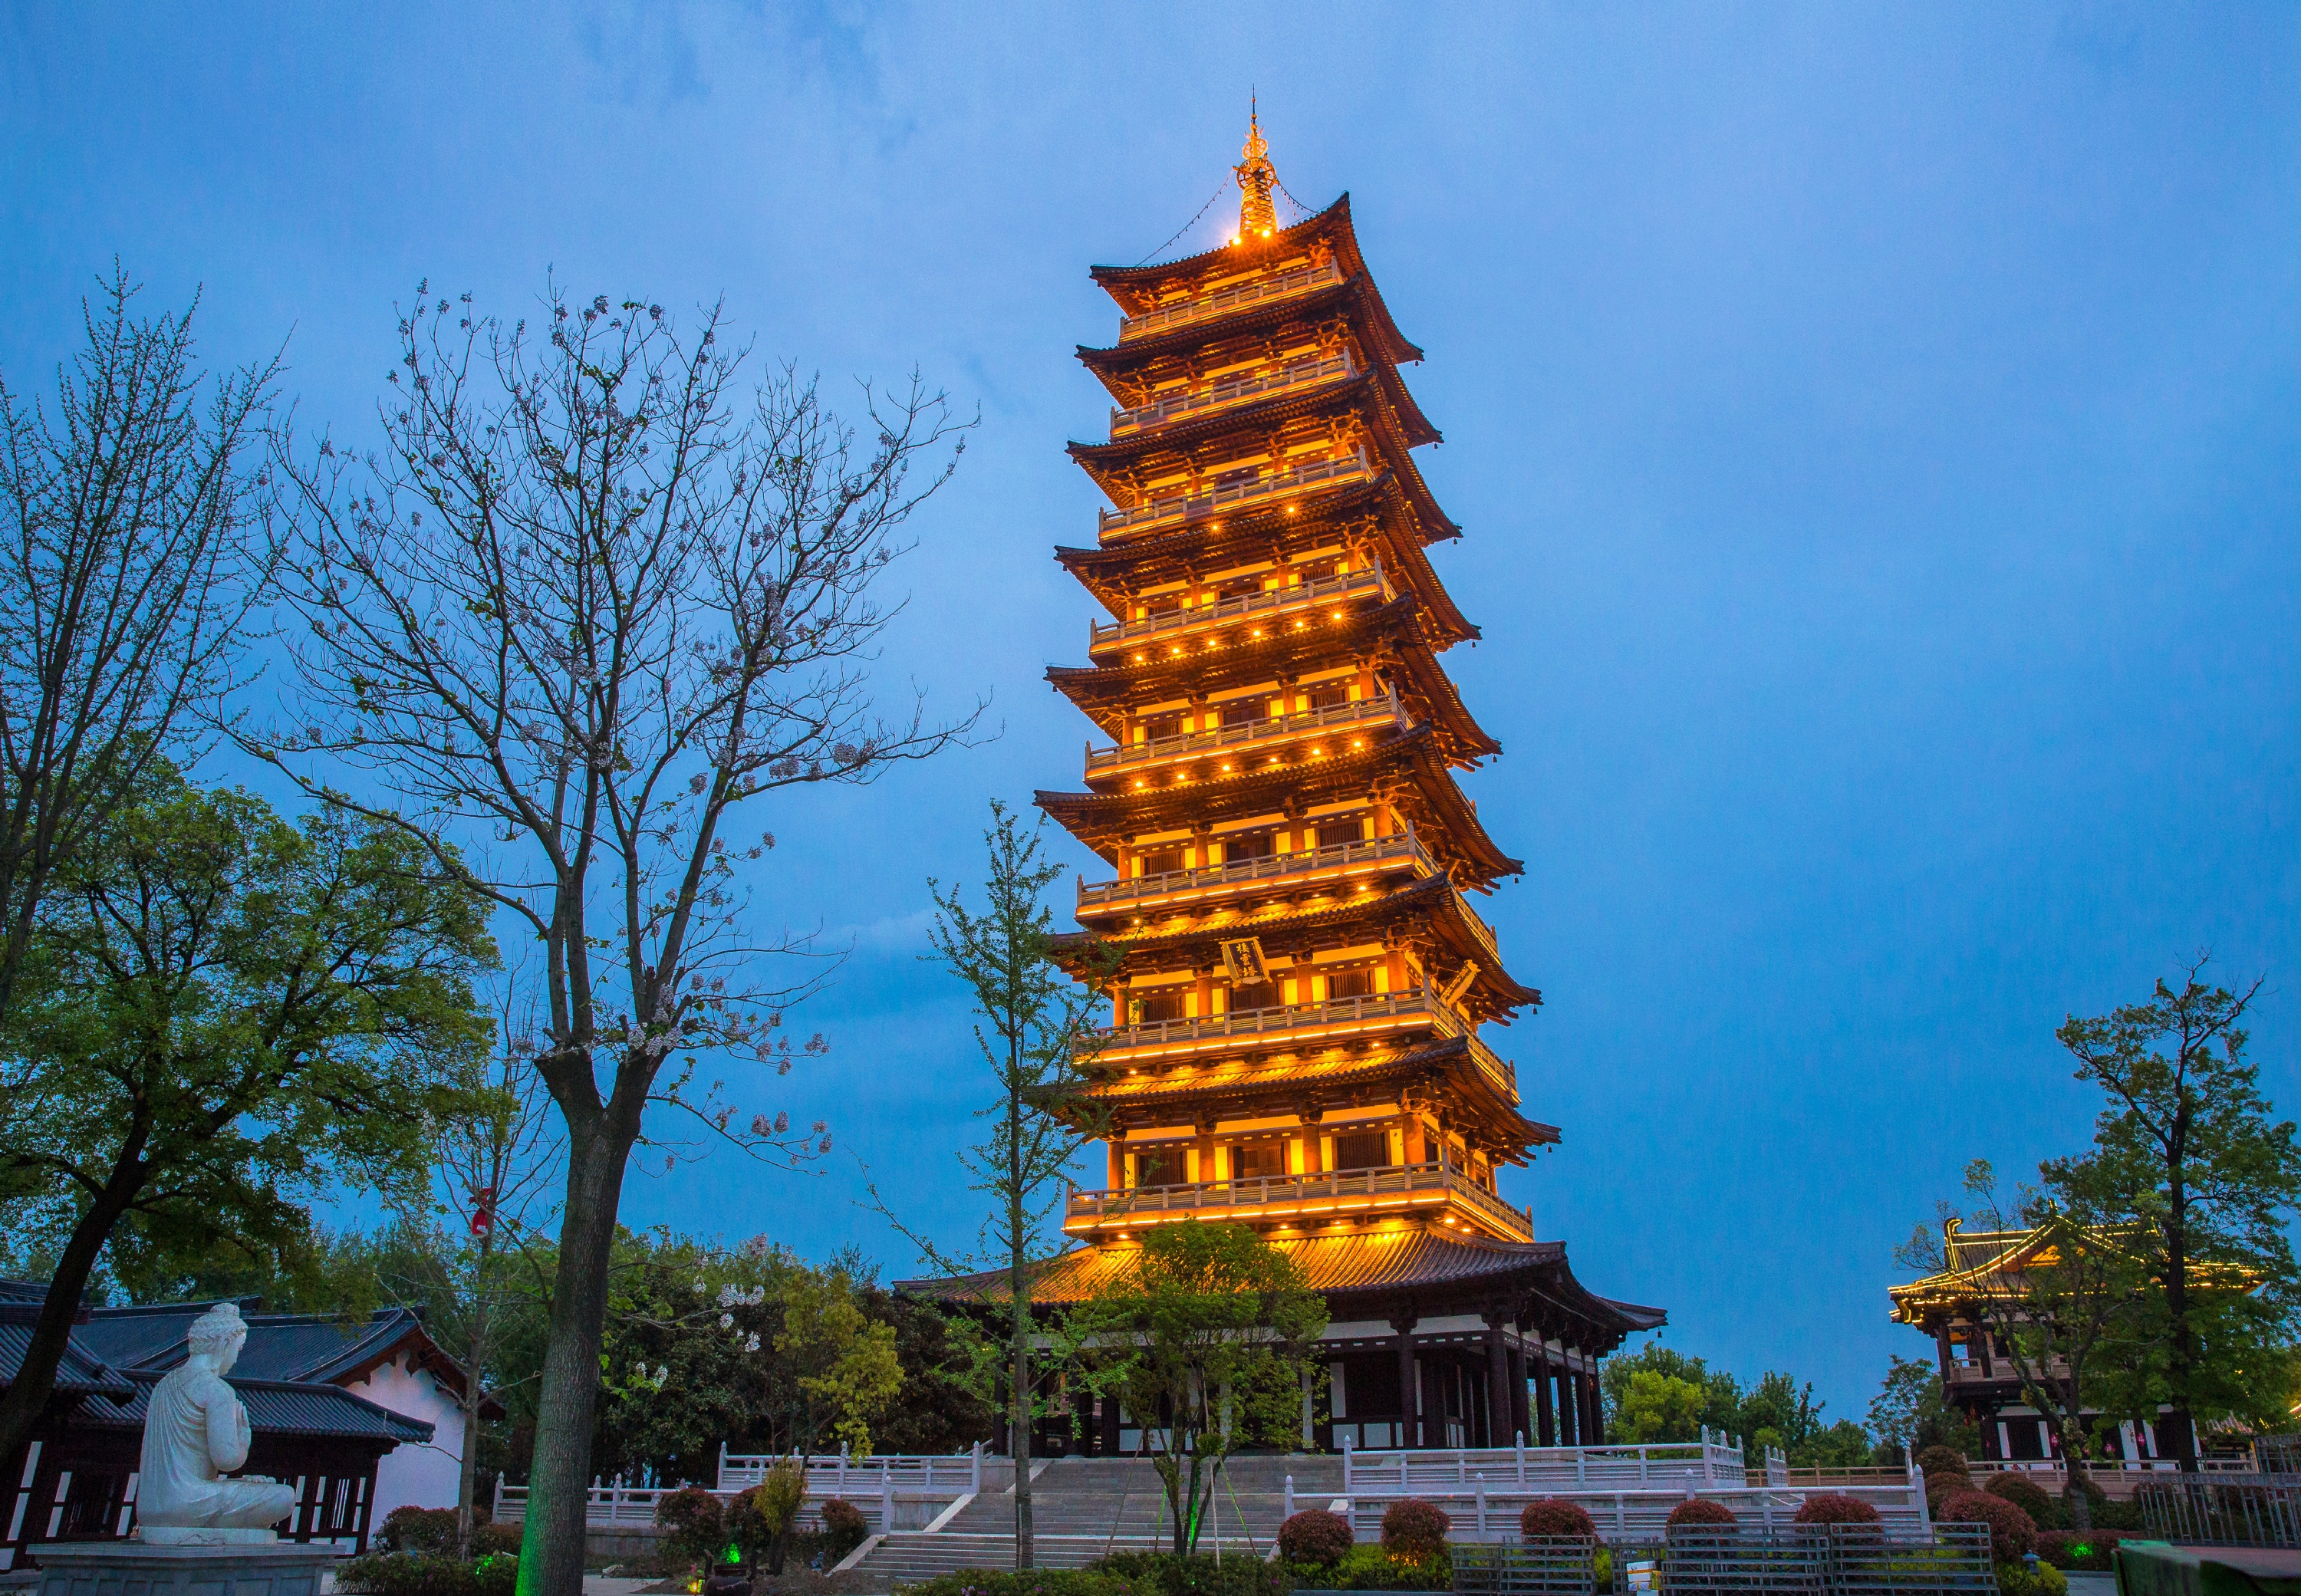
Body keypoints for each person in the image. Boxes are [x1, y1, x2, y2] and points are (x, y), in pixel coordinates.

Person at [137, 1301, 298, 1541]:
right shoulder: (217, 1390)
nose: (236, 1358)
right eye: (238, 1349)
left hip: (151, 1507)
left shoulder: (163, 1386)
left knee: (252, 1488)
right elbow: (227, 1460)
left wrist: (238, 1484)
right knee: (284, 1496)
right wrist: (243, 1440)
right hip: (188, 1504)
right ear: (223, 1344)